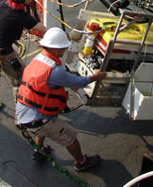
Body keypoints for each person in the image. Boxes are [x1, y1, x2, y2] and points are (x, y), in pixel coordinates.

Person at [16, 27, 107, 172]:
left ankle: (38, 151)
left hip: (24, 112)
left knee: (42, 129)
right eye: (63, 48)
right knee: (70, 137)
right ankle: (81, 161)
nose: (64, 51)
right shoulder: (55, 71)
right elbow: (79, 82)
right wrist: (97, 76)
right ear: (56, 50)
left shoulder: (38, 59)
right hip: (38, 118)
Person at [0, 0, 48, 97]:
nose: (31, 0)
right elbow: (44, 30)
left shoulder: (4, 3)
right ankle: (20, 109)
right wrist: (66, 36)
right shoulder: (20, 16)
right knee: (20, 79)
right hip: (4, 52)